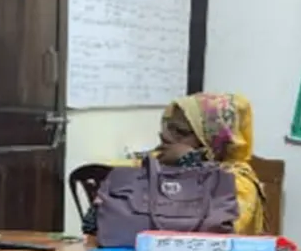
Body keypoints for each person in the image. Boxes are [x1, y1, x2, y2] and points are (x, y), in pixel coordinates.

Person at [82, 92, 266, 238]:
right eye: (167, 126)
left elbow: (218, 230)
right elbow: (94, 225)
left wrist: (192, 164)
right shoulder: (154, 165)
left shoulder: (238, 180)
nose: (165, 136)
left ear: (214, 140)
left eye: (180, 132)